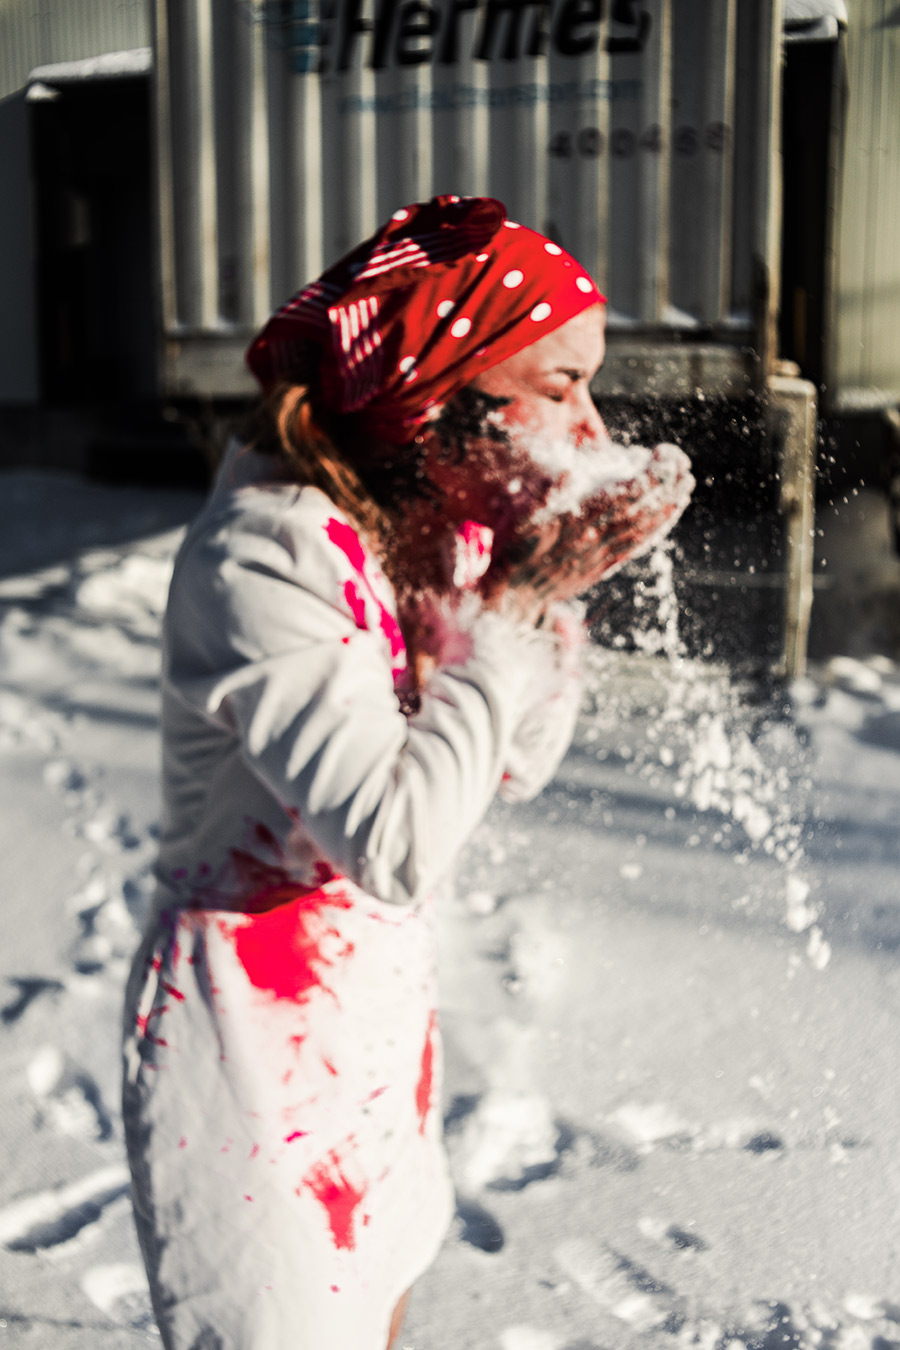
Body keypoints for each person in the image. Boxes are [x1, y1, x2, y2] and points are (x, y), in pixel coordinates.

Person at [122, 194, 692, 1350]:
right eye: (558, 386)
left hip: (373, 1004)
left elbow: (514, 764)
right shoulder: (268, 554)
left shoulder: (421, 513)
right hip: (248, 1039)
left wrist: (539, 601)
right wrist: (516, 605)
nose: (588, 427)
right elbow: (394, 841)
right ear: (438, 388)